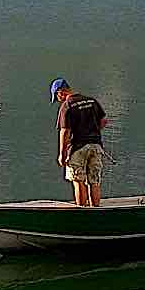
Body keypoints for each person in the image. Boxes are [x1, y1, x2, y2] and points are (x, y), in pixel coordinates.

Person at [51, 76, 107, 207]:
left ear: (61, 92)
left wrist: (62, 154)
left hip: (77, 149)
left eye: (57, 96)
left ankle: (82, 211)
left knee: (78, 180)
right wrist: (92, 130)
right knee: (94, 181)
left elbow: (64, 132)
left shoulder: (67, 106)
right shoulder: (91, 101)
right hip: (95, 145)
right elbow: (103, 121)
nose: (58, 100)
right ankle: (96, 210)